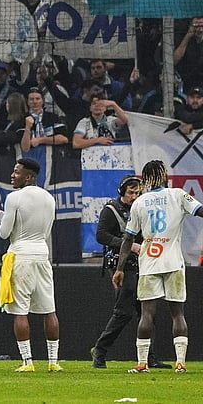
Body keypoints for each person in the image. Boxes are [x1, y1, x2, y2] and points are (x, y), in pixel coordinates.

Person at [112, 160, 203, 373]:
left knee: (147, 314)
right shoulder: (178, 195)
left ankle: (142, 363)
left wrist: (119, 268)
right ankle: (180, 363)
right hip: (173, 262)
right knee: (177, 313)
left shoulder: (140, 202)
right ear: (163, 175)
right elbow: (200, 211)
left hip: (149, 263)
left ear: (145, 179)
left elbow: (128, 239)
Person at [0, 158, 62, 372]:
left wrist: (0, 217)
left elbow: (4, 233)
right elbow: (46, 232)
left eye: (17, 172)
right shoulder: (50, 198)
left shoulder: (14, 197)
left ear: (29, 176)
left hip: (21, 256)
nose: (12, 175)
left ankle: (27, 362)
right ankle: (53, 362)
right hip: (42, 254)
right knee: (49, 309)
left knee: (20, 311)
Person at [91, 175, 161, 369]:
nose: (134, 196)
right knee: (123, 313)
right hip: (122, 265)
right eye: (131, 192)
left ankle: (149, 357)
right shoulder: (110, 210)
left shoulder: (141, 209)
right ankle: (100, 350)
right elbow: (101, 235)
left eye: (138, 192)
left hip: (144, 264)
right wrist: (129, 246)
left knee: (146, 313)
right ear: (122, 192)